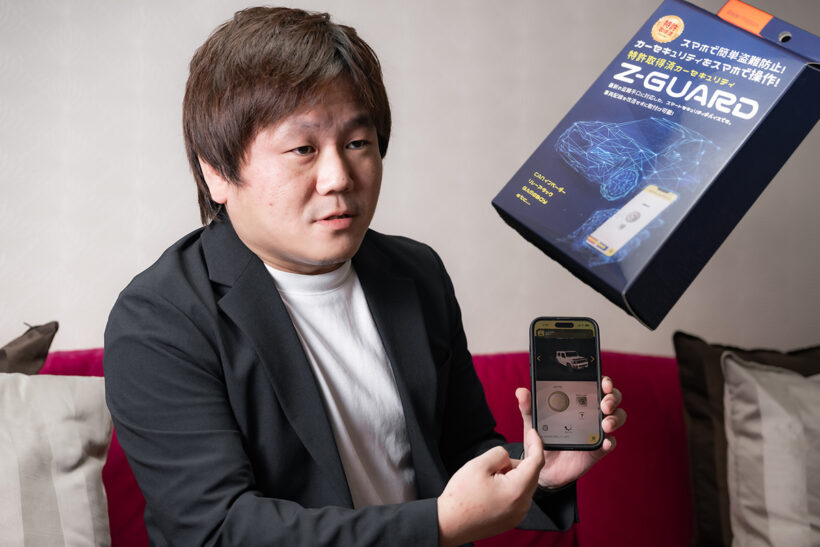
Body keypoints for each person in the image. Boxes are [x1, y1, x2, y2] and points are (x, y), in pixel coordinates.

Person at [103, 7, 626, 546]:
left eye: (357, 143)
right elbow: (219, 530)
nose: (338, 178)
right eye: (303, 149)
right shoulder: (159, 320)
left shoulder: (415, 273)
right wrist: (439, 525)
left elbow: (459, 452)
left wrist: (541, 472)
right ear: (216, 171)